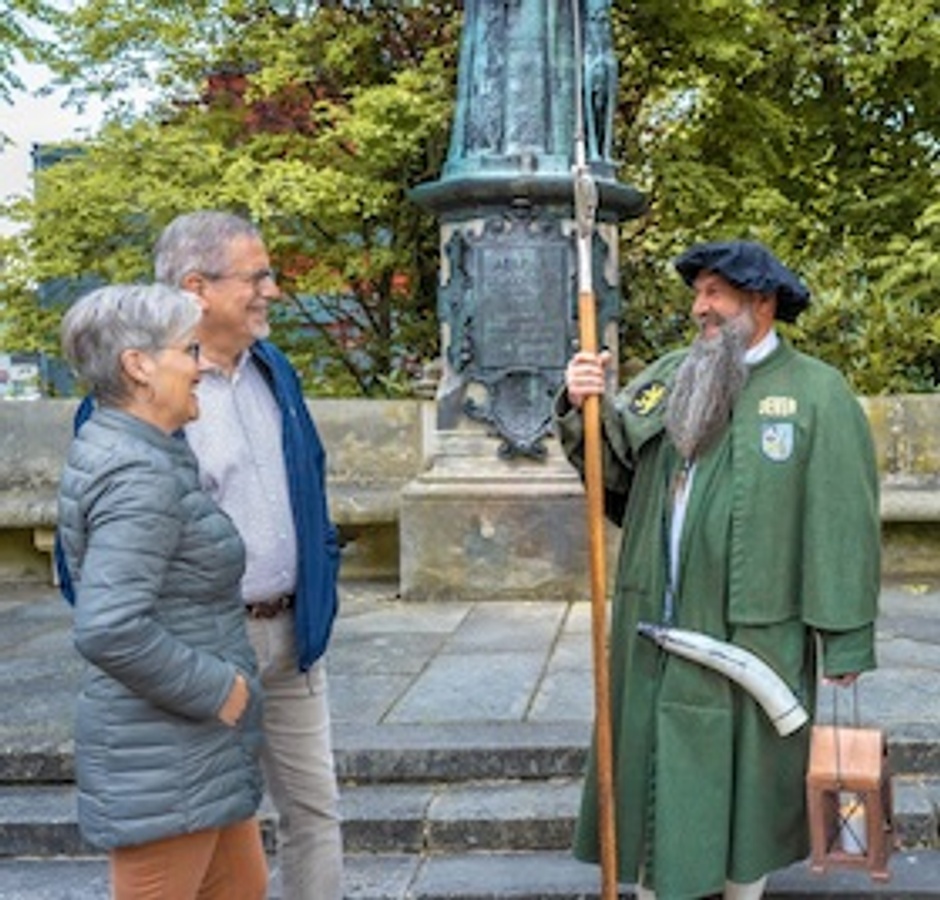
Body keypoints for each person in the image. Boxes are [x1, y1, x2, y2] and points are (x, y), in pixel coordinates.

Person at [556, 239, 881, 900]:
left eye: (713, 293)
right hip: (655, 627)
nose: (699, 307)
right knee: (654, 784)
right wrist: (580, 404)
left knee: (745, 809)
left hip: (755, 640)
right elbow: (611, 463)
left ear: (760, 302)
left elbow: (842, 523)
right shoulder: (675, 372)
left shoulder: (817, 395)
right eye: (698, 292)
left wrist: (845, 639)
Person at [153, 210, 343, 899]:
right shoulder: (145, 385)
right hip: (204, 647)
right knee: (204, 821)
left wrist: (320, 575)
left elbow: (310, 481)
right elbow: (94, 546)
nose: (272, 290)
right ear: (197, 287)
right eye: (256, 276)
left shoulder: (273, 370)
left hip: (295, 638)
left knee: (315, 810)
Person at [56, 284, 267, 900]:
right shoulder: (135, 473)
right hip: (165, 757)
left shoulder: (148, 453)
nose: (200, 365)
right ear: (138, 366)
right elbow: (108, 626)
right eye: (187, 351)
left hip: (195, 751)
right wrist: (219, 691)